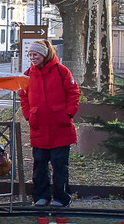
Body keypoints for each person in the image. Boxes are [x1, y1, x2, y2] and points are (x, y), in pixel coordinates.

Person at [19, 39, 80, 207]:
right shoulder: (28, 75)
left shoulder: (62, 72)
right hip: (39, 127)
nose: (32, 57)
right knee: (39, 164)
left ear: (44, 55)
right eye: (30, 54)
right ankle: (41, 196)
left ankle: (61, 197)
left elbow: (73, 92)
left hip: (60, 127)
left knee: (60, 165)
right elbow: (23, 96)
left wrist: (68, 113)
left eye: (35, 54)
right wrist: (28, 115)